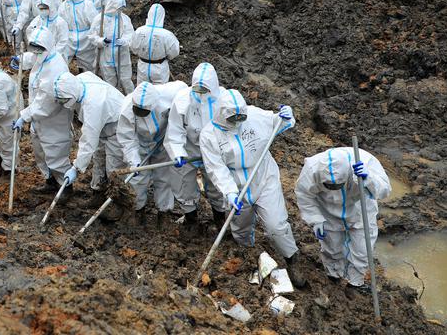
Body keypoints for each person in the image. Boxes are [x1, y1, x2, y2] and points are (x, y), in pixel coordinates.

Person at [199, 89, 306, 287]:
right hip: (236, 186)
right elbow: (216, 168)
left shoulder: (255, 116)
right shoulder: (209, 135)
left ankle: (292, 259)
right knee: (240, 228)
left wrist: (285, 115)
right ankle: (248, 253)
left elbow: (280, 122)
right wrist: (230, 192)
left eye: (241, 116)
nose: (238, 120)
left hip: (263, 177)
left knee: (277, 226)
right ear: (222, 114)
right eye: (234, 117)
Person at [295, 147, 391, 289]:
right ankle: (333, 276)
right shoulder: (312, 169)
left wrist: (368, 178)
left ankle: (355, 282)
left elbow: (384, 191)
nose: (334, 188)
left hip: (360, 208)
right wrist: (316, 220)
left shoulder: (365, 161)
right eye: (329, 185)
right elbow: (304, 195)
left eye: (338, 185)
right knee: (332, 247)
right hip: (328, 209)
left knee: (363, 249)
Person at [165, 62, 227, 229]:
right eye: (197, 89)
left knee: (217, 184)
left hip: (214, 151)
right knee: (183, 183)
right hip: (189, 149)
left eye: (204, 89)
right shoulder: (183, 100)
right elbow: (175, 130)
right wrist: (177, 152)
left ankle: (220, 217)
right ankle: (191, 219)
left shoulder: (224, 101)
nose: (200, 94)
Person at [117, 81, 189, 221]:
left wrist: (176, 149)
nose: (140, 113)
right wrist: (134, 161)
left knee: (164, 177)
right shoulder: (127, 109)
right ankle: (138, 210)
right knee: (138, 179)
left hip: (163, 142)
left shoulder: (169, 94)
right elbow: (127, 139)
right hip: (140, 144)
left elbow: (184, 92)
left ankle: (164, 212)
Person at [12, 29, 73, 192]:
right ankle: (50, 180)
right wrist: (20, 60)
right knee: (40, 151)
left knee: (55, 153)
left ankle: (64, 187)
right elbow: (34, 58)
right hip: (37, 116)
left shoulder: (55, 69)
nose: (36, 53)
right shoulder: (45, 55)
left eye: (39, 49)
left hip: (52, 119)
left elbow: (45, 104)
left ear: (47, 46)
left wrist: (23, 116)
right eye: (34, 49)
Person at [52, 71, 126, 200]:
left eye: (65, 100)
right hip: (103, 123)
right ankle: (98, 194)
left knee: (113, 166)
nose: (63, 103)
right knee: (98, 158)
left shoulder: (93, 105)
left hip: (117, 125)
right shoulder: (79, 80)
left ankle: (116, 202)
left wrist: (76, 168)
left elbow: (88, 141)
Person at [89, 0, 134, 93]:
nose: (120, 11)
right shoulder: (99, 19)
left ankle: (131, 100)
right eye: (119, 8)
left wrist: (124, 41)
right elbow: (92, 36)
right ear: (113, 7)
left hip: (122, 55)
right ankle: (113, 100)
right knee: (109, 81)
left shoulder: (124, 19)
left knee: (126, 80)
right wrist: (101, 41)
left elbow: (130, 34)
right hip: (106, 55)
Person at [131, 3, 179, 84]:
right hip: (159, 68)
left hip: (143, 66)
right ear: (162, 16)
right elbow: (174, 51)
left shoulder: (139, 31)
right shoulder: (167, 35)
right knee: (160, 92)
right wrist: (167, 57)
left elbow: (133, 47)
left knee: (143, 90)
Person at [61, 0, 98, 73]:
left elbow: (95, 24)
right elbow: (60, 23)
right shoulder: (64, 6)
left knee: (88, 64)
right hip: (69, 38)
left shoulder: (87, 5)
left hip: (85, 39)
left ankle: (87, 78)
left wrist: (93, 37)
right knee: (62, 60)